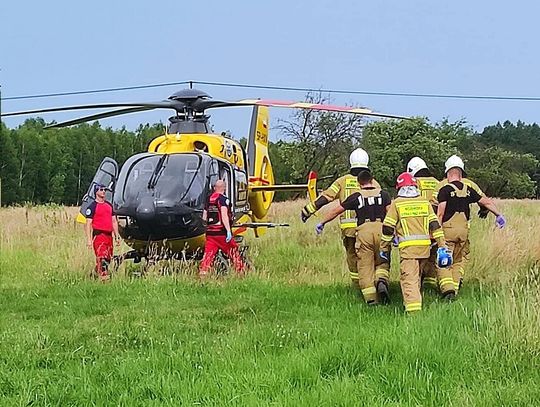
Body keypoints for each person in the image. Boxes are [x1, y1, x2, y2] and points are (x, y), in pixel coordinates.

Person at [301, 148, 382, 286]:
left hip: (349, 229)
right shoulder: (373, 183)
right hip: (371, 228)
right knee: (372, 257)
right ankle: (376, 282)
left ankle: (358, 286)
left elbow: (326, 197)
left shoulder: (342, 181)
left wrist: (308, 210)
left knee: (353, 257)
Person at [314, 168, 391, 305]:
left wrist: (322, 222)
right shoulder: (384, 194)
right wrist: (394, 233)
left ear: (359, 183)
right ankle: (381, 280)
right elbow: (390, 214)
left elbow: (337, 210)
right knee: (382, 261)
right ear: (372, 180)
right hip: (381, 230)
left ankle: (371, 300)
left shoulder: (356, 196)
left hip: (364, 232)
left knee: (365, 266)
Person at [436, 155, 506, 297]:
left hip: (448, 231)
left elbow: (440, 214)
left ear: (448, 173)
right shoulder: (468, 190)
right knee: (458, 260)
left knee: (443, 260)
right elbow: (485, 202)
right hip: (463, 231)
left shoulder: (444, 190)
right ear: (461, 174)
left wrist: (435, 231)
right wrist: (498, 215)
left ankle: (448, 289)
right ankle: (455, 288)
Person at [380, 172, 449, 312]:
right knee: (416, 278)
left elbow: (387, 228)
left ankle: (414, 313)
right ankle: (414, 302)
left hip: (408, 251)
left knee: (409, 280)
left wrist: (384, 248)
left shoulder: (397, 204)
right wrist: (442, 245)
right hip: (425, 249)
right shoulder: (424, 202)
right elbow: (435, 225)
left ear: (399, 187)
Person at [406, 156, 440, 290]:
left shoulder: (413, 183)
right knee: (433, 256)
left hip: (418, 228)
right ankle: (429, 285)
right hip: (436, 225)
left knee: (418, 258)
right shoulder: (438, 183)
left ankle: (417, 284)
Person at [199, 180, 245, 276]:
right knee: (233, 252)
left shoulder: (208, 200)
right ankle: (241, 272)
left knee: (208, 255)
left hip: (210, 234)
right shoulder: (223, 200)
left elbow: (204, 216)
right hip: (221, 233)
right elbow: (224, 215)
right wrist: (228, 231)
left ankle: (203, 272)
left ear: (215, 188)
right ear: (224, 188)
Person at [84, 183, 120, 281]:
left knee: (108, 258)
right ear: (96, 192)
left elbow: (114, 221)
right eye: (101, 190)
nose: (103, 192)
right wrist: (88, 240)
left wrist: (117, 236)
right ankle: (104, 278)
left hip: (109, 236)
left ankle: (95, 273)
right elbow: (88, 224)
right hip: (99, 235)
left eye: (104, 190)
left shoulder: (109, 205)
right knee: (102, 257)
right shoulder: (92, 207)